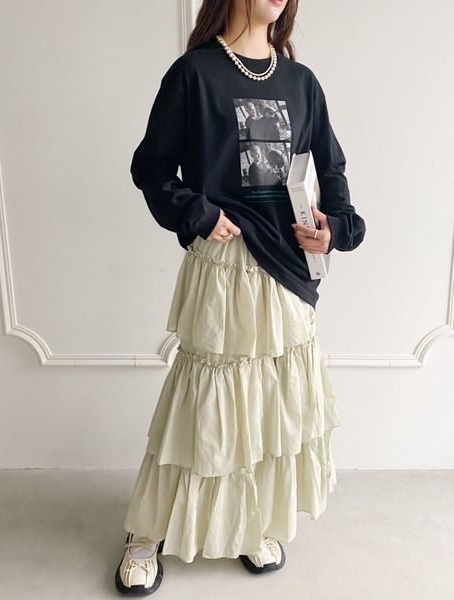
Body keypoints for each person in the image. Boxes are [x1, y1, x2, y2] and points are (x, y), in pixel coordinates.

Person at [115, 0, 366, 595]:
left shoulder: (301, 82)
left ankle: (252, 521)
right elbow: (151, 168)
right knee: (203, 403)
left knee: (269, 404)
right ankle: (146, 531)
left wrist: (337, 227)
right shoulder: (195, 74)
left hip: (288, 270)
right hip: (225, 263)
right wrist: (199, 214)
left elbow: (330, 168)